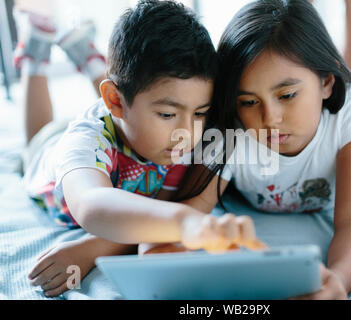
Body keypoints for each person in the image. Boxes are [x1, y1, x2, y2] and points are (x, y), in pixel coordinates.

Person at [15, 0, 265, 298]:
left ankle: (91, 59)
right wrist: (186, 223)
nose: (188, 133)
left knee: (138, 90)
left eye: (200, 113)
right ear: (115, 102)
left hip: (127, 117)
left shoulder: (187, 133)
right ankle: (36, 53)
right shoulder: (83, 142)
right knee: (36, 140)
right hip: (52, 149)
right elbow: (92, 204)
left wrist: (94, 248)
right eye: (168, 115)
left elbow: (167, 208)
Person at [173, 0, 351, 300]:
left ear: (325, 83)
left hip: (350, 106)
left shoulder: (350, 111)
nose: (270, 119)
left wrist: (337, 280)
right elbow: (186, 214)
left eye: (287, 95)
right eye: (249, 102)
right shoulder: (229, 133)